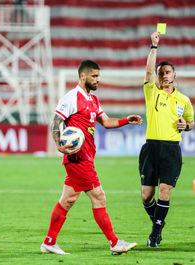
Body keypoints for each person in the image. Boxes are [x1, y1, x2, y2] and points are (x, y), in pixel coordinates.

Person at [41, 60, 142, 255]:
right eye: (94, 76)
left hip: (87, 157)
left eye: (98, 76)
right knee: (99, 196)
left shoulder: (93, 100)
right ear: (83, 76)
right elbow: (55, 122)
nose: (98, 80)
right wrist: (59, 145)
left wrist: (125, 120)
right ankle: (115, 243)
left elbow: (106, 121)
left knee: (68, 199)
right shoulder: (71, 98)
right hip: (77, 159)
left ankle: (49, 242)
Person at [140, 32, 194, 247]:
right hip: (151, 148)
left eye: (167, 71)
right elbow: (147, 71)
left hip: (172, 149)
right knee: (146, 196)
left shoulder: (184, 100)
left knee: (165, 190)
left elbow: (190, 122)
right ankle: (159, 225)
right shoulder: (152, 93)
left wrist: (186, 126)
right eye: (160, 72)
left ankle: (154, 234)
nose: (163, 75)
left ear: (174, 75)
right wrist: (154, 46)